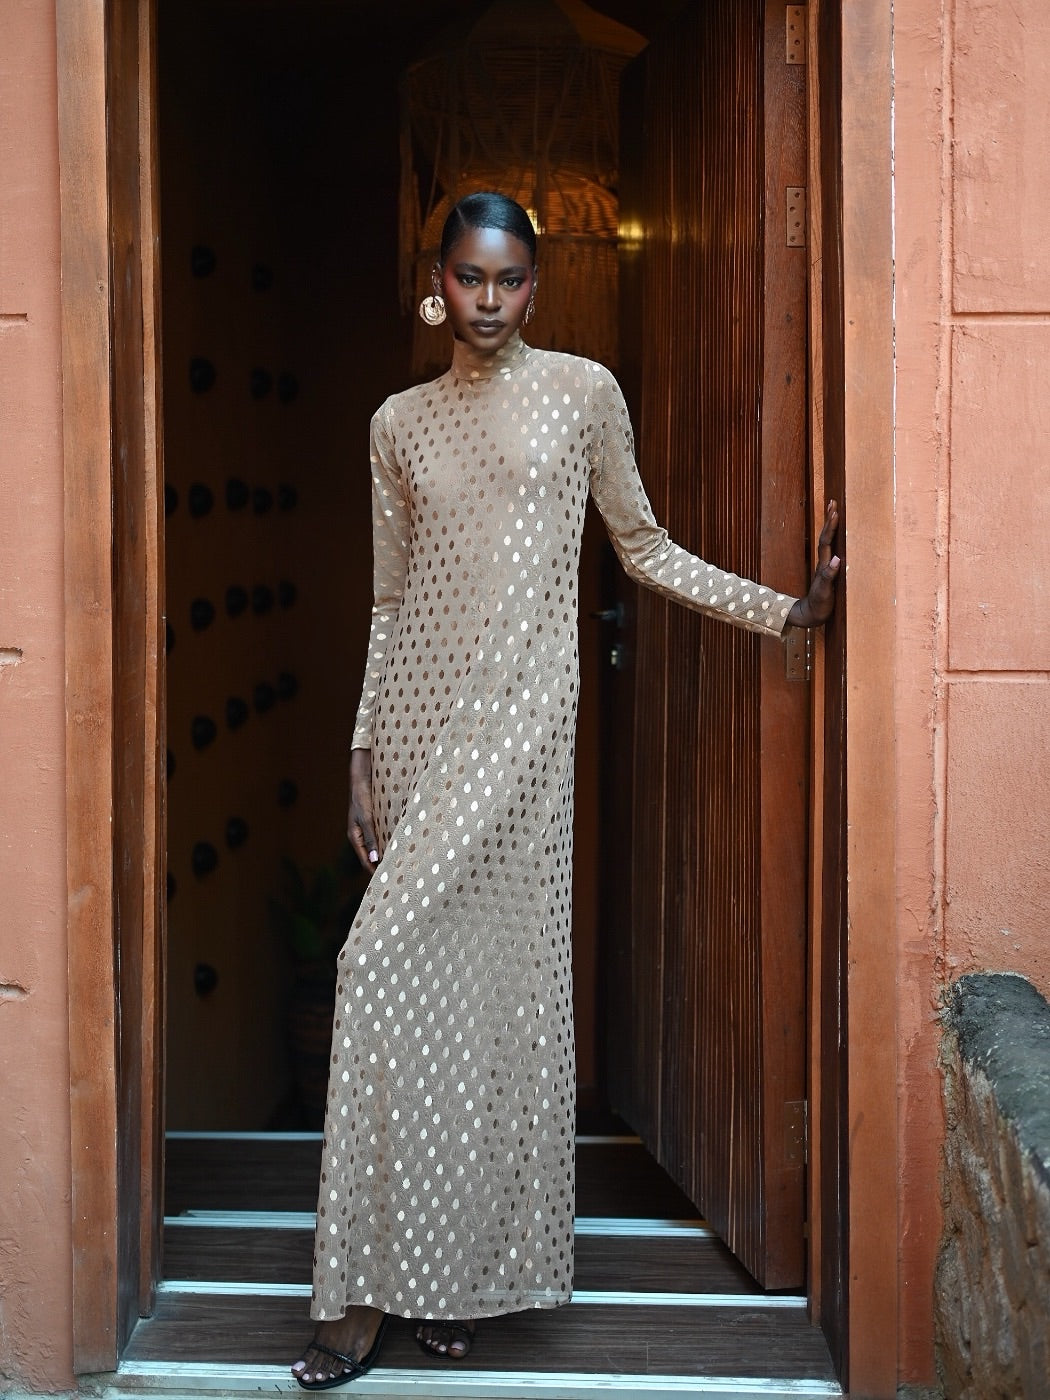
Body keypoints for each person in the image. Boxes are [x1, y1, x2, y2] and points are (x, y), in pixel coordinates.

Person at [291, 191, 840, 1389]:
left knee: (478, 1003)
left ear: (535, 285)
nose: (488, 300)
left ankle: (456, 1275)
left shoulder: (583, 393)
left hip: (523, 739)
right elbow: (389, 600)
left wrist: (782, 611)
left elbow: (643, 547)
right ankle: (370, 1286)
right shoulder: (397, 422)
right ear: (438, 279)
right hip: (420, 732)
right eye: (469, 277)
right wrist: (362, 752)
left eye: (510, 279)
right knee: (390, 981)